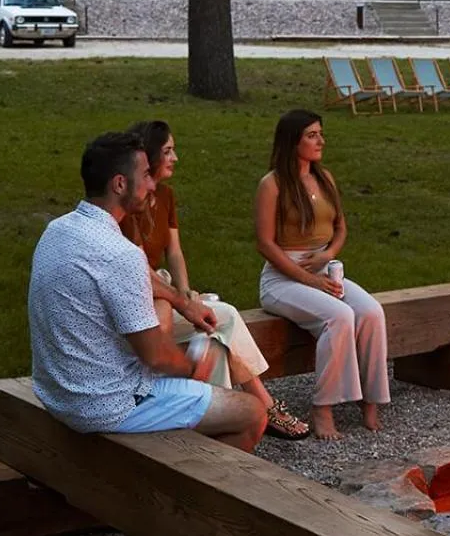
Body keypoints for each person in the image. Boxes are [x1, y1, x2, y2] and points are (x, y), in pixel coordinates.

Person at [28, 131, 266, 452]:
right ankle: (192, 493)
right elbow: (155, 357)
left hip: (56, 392)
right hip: (107, 404)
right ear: (120, 184)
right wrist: (194, 369)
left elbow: (134, 274)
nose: (153, 185)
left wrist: (182, 302)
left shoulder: (58, 230)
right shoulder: (120, 254)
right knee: (252, 413)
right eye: (145, 177)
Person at [121, 120, 309, 440]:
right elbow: (139, 270)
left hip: (164, 290)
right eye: (168, 151)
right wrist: (181, 301)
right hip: (145, 297)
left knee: (214, 342)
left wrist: (186, 295)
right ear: (149, 158)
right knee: (225, 319)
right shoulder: (131, 204)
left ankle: (215, 421)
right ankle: (261, 406)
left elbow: (175, 254)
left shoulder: (165, 195)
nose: (175, 157)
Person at [255, 108, 389, 439]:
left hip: (324, 267)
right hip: (282, 277)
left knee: (371, 312)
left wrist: (327, 256)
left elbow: (341, 227)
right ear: (292, 141)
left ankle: (371, 399)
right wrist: (311, 279)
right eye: (312, 135)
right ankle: (323, 407)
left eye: (321, 134)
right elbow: (265, 244)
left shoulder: (325, 178)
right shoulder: (272, 185)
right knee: (339, 316)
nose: (321, 141)